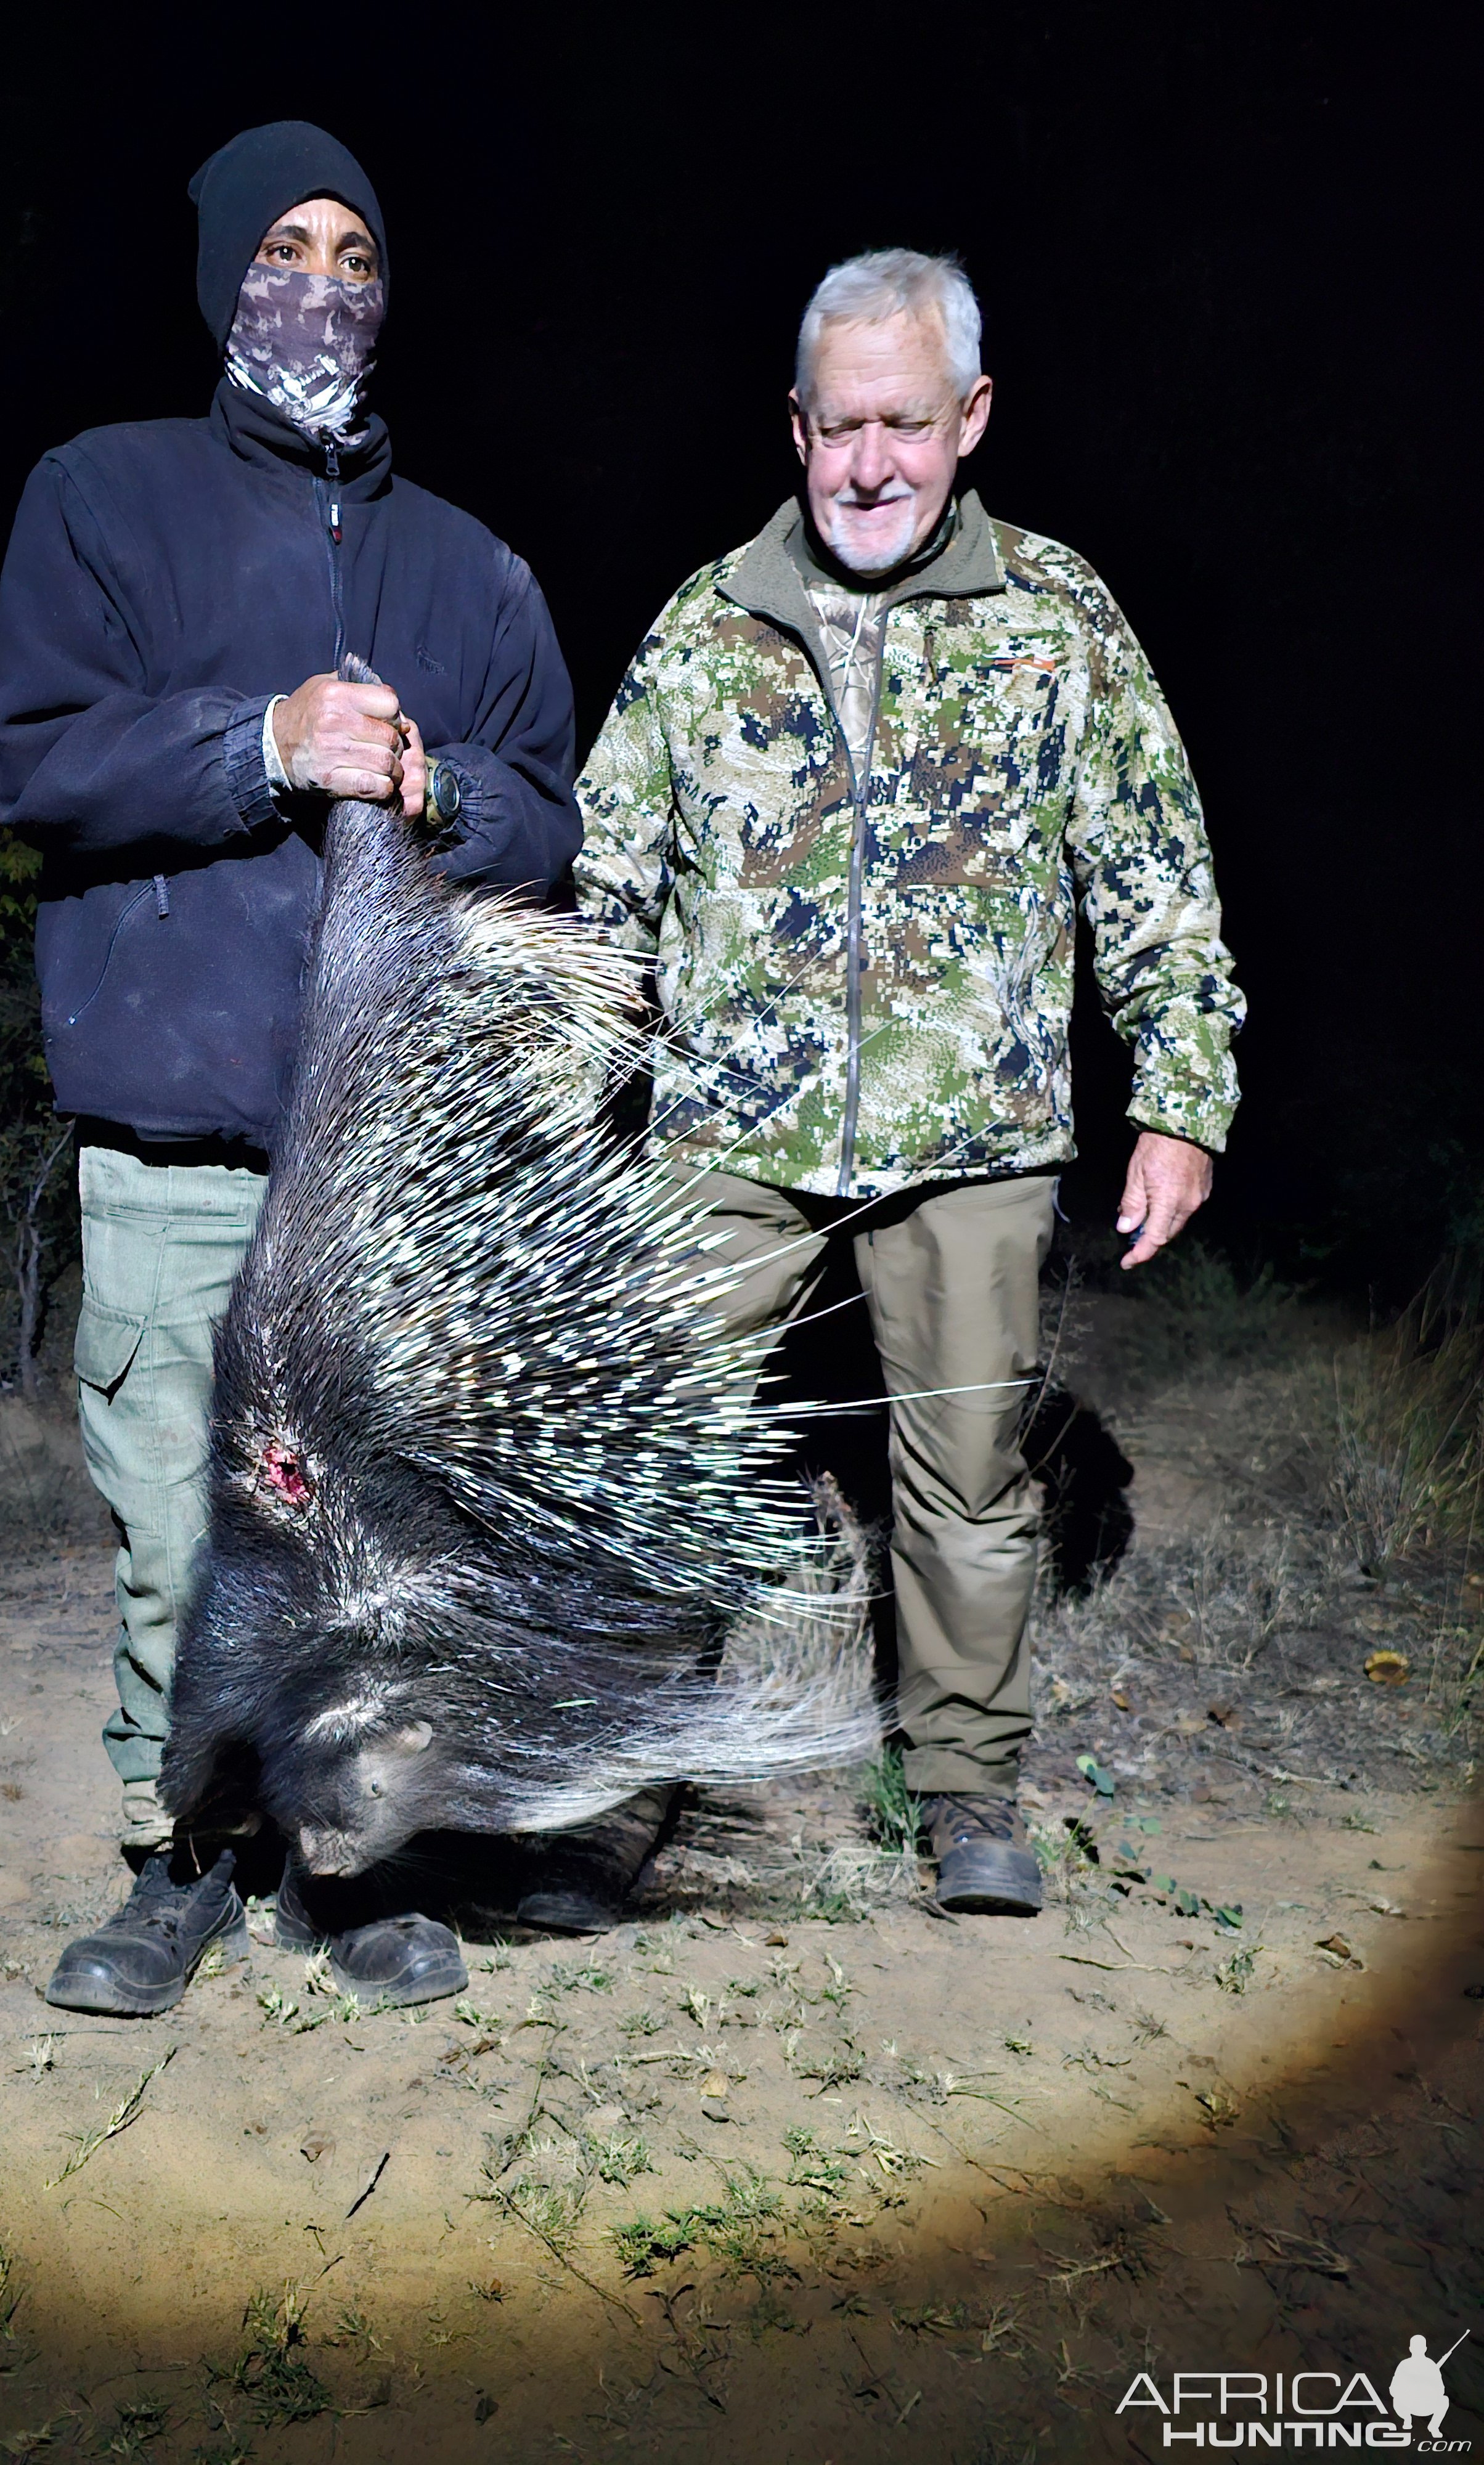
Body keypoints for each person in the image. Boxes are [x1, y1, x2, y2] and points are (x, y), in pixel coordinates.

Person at [0, 122, 581, 2013]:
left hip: (383, 1162)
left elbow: (543, 809)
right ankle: (177, 1865)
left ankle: (336, 1866)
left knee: (357, 1537)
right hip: (174, 1142)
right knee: (182, 1528)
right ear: (222, 273)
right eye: (283, 248)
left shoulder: (467, 566)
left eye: (354, 254)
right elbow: (42, 768)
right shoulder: (103, 498)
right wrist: (262, 738)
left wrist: (436, 787)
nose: (318, 281)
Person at [574, 247, 1244, 1914]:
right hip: (733, 1123)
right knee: (656, 1448)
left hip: (973, 1134)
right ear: (794, 427)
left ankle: (964, 1791)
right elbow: (603, 891)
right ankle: (605, 1780)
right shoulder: (705, 624)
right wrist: (555, 1098)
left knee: (968, 1473)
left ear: (974, 418)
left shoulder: (1059, 618)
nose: (872, 464)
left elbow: (1154, 876)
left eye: (909, 424)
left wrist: (1183, 1099)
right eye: (840, 428)